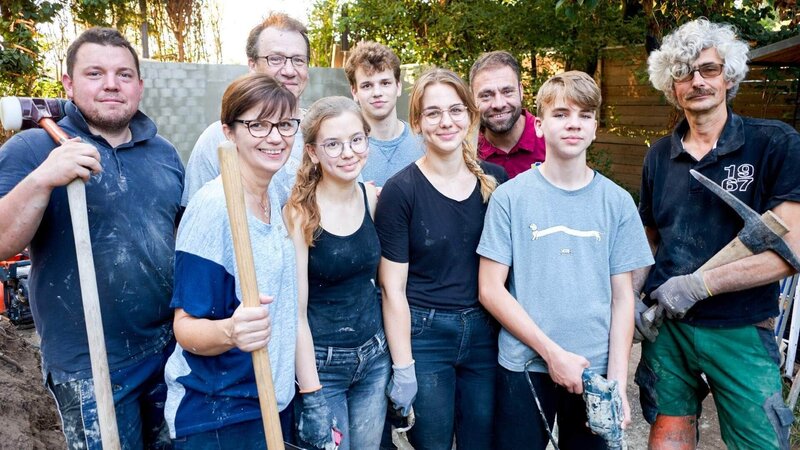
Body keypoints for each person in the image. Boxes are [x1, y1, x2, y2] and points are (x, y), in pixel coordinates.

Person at [0, 27, 184, 449]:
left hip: (166, 350)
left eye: (124, 74)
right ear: (68, 83)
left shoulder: (164, 153)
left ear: (139, 85)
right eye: (95, 73)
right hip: (88, 364)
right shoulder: (33, 148)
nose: (111, 85)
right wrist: (44, 178)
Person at [633, 18, 800, 450]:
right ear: (671, 86)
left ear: (729, 76)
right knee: (668, 432)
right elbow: (650, 238)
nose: (697, 81)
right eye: (683, 72)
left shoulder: (774, 144)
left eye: (709, 69)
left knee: (761, 443)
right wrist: (632, 297)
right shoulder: (658, 156)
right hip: (669, 329)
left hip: (741, 328)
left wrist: (699, 285)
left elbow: (791, 252)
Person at [477, 71, 653, 450]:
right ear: (539, 125)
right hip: (525, 365)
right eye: (560, 114)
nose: (574, 123)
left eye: (585, 115)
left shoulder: (617, 202)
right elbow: (490, 290)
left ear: (595, 127)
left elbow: (623, 298)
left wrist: (617, 382)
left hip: (594, 369)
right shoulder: (510, 198)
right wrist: (551, 353)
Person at [164, 73, 300, 448]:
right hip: (218, 414)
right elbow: (185, 328)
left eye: (285, 124)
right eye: (258, 125)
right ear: (229, 131)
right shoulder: (214, 209)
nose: (275, 137)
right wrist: (232, 332)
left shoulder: (276, 191)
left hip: (271, 401)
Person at [375, 68, 508, 450]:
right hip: (426, 336)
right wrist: (404, 367)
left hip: (485, 334)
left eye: (455, 110)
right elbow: (392, 289)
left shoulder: (496, 182)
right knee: (431, 443)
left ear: (470, 115)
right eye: (433, 113)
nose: (446, 122)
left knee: (480, 442)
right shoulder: (401, 191)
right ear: (417, 122)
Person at [285, 96, 389, 450]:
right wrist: (311, 393)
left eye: (356, 140)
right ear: (313, 152)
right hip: (323, 365)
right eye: (333, 144)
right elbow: (296, 313)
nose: (348, 153)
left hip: (374, 358)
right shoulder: (300, 214)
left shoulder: (370, 197)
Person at [182, 12, 310, 207]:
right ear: (252, 65)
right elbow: (195, 214)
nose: (289, 71)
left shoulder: (323, 133)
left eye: (298, 60)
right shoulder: (216, 139)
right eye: (276, 59)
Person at [344, 41, 424, 186]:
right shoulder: (345, 151)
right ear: (354, 92)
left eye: (385, 83)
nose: (377, 93)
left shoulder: (424, 143)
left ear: (398, 86)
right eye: (367, 85)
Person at [470, 50, 546, 178]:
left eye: (507, 92)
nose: (499, 104)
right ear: (472, 98)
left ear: (521, 91)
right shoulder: (466, 152)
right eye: (486, 95)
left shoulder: (550, 138)